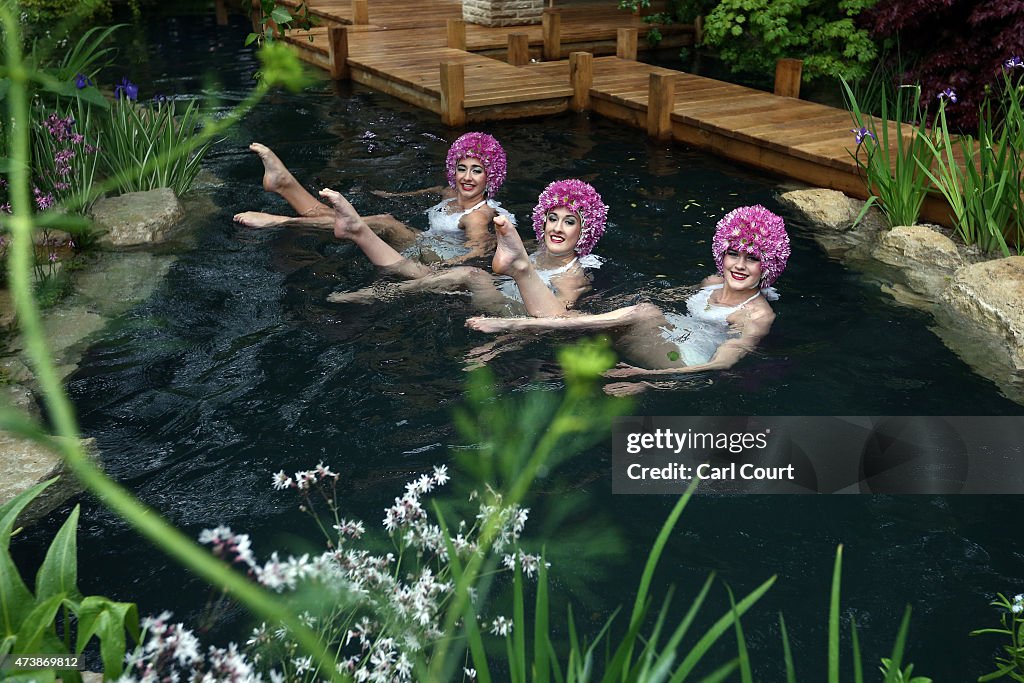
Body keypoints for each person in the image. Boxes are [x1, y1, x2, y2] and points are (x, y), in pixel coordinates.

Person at [466, 204, 791, 381]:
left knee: (643, 311)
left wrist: (645, 377)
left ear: (769, 264)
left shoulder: (758, 315)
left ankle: (517, 320)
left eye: (753, 259)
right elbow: (671, 296)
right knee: (582, 318)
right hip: (670, 338)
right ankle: (520, 279)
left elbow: (721, 365)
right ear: (722, 253)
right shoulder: (712, 283)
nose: (740, 265)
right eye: (734, 254)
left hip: (684, 360)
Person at [320, 178, 608, 314]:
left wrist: (500, 339)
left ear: (585, 232)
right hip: (496, 292)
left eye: (569, 222)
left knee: (470, 275)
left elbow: (556, 319)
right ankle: (357, 230)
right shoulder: (535, 247)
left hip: (512, 312)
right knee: (424, 271)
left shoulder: (574, 275)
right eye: (552, 219)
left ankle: (376, 293)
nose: (557, 227)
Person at [232, 132, 513, 262]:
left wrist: (447, 270)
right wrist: (383, 193)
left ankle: (280, 221)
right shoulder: (449, 192)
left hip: (438, 256)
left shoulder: (479, 215)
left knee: (384, 222)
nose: (466, 177)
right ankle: (284, 184)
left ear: (492, 176)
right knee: (353, 216)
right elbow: (411, 194)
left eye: (477, 171)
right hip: (426, 242)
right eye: (461, 168)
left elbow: (478, 250)